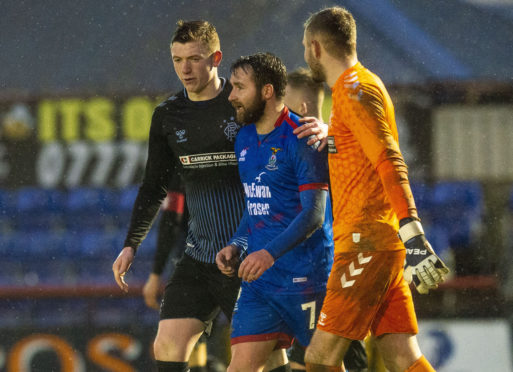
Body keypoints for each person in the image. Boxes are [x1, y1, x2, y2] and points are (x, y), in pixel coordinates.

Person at [296, 7, 450, 372]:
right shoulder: (359, 87)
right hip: (378, 244)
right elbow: (363, 155)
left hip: (367, 245)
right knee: (402, 357)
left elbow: (390, 160)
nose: (304, 54)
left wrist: (412, 230)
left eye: (305, 47)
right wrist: (329, 134)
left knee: (319, 359)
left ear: (316, 48)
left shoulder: (354, 90)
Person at [112, 20, 246, 372]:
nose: (184, 68)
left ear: (216, 57)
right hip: (199, 257)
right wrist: (131, 243)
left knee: (260, 358)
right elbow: (154, 186)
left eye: (194, 58)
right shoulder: (168, 115)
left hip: (247, 259)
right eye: (177, 59)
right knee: (168, 344)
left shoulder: (242, 103)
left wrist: (316, 126)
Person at [215, 52, 333, 372]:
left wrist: (268, 253)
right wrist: (238, 243)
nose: (232, 95)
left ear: (267, 92)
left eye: (240, 87)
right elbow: (256, 205)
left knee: (322, 366)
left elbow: (313, 215)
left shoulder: (301, 138)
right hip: (261, 283)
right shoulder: (244, 138)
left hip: (305, 278)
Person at [284, 68, 367, 372]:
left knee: (325, 361)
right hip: (322, 271)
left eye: (286, 109)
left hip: (332, 270)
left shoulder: (330, 146)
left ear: (302, 110)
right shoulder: (337, 144)